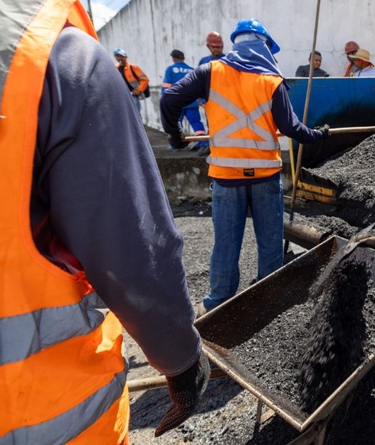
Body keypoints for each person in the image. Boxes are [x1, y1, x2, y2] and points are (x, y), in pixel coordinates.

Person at [0, 0, 209, 442]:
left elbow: (154, 93)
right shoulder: (55, 60)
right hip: (37, 418)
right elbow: (135, 246)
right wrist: (181, 360)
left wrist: (155, 111)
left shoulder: (153, 72)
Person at [160, 18, 330, 313]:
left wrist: (176, 137)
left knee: (226, 243)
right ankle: (269, 294)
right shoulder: (271, 80)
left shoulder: (208, 72)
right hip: (265, 176)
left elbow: (169, 100)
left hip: (226, 178)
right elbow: (292, 129)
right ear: (264, 45)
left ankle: (218, 303)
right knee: (269, 241)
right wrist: (320, 135)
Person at [163, 49, 209, 155]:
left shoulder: (170, 69)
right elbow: (200, 87)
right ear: (183, 58)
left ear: (174, 58)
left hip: (176, 103)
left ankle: (175, 145)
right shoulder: (192, 69)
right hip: (192, 102)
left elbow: (166, 87)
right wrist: (200, 100)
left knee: (176, 124)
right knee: (196, 123)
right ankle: (203, 143)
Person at [113, 47, 149, 118]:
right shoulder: (115, 68)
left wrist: (138, 90)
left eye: (122, 56)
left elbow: (144, 79)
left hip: (132, 95)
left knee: (136, 115)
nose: (120, 58)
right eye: (117, 56)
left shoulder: (133, 67)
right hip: (121, 96)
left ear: (126, 57)